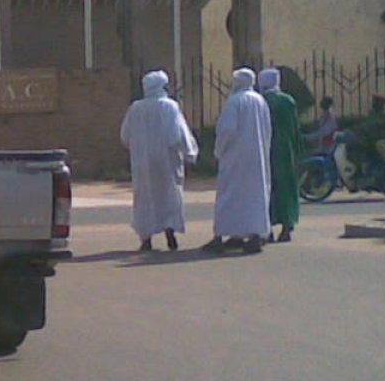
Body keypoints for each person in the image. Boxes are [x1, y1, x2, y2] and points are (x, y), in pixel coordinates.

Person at [119, 70, 200, 252]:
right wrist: (190, 153)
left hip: (142, 164)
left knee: (145, 198)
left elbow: (125, 137)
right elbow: (177, 135)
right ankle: (170, 233)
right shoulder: (169, 107)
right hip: (166, 162)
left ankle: (146, 239)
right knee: (168, 196)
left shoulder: (135, 108)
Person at [205, 68, 273, 254]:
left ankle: (221, 235)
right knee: (255, 196)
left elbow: (226, 130)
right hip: (256, 157)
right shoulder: (260, 101)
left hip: (235, 157)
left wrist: (219, 150)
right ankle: (253, 235)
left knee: (229, 194)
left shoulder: (234, 102)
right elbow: (267, 129)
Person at [259, 68, 302, 243]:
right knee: (287, 186)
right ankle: (287, 226)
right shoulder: (288, 101)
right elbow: (295, 128)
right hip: (286, 148)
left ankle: (267, 228)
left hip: (266, 147)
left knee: (267, 187)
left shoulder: (262, 101)